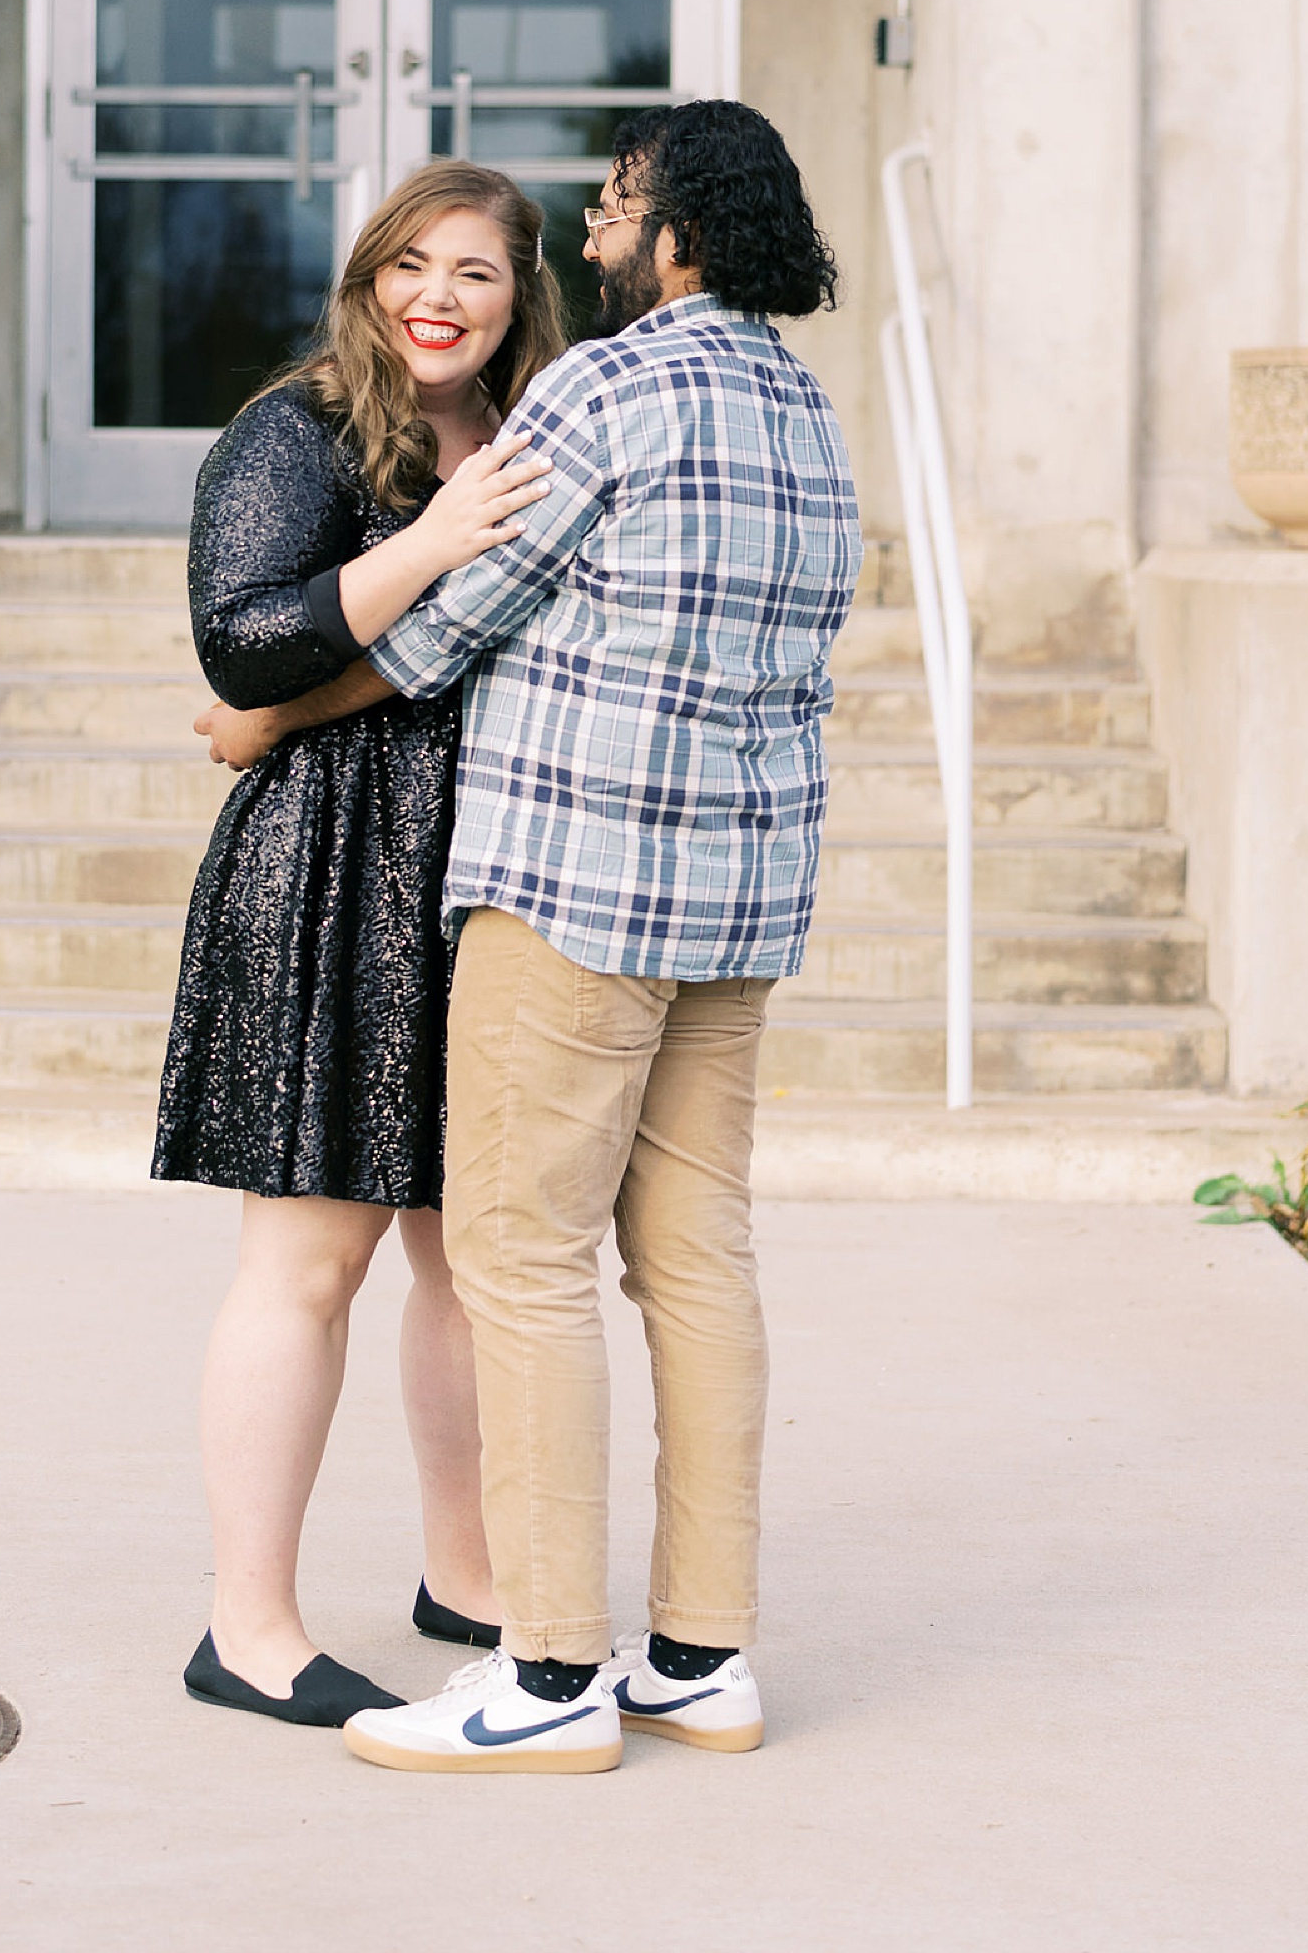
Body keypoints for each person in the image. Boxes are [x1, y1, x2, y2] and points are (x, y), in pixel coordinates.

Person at [333, 101, 863, 1775]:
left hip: (574, 886)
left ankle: (548, 1672)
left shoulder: (604, 389)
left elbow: (445, 623)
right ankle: (701, 1656)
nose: (596, 233)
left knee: (519, 1257)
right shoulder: (808, 410)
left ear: (681, 226)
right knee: (697, 1260)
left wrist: (267, 715)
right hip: (739, 902)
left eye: (617, 207)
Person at [153, 160, 562, 1729]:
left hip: (489, 870)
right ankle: (246, 1625)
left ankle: (467, 1574)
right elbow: (242, 639)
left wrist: (260, 720)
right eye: (411, 266)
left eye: (475, 272)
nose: (437, 299)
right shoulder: (300, 428)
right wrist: (438, 537)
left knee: (470, 1261)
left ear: (522, 295)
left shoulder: (533, 435)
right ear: (370, 281)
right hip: (327, 870)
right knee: (309, 1259)